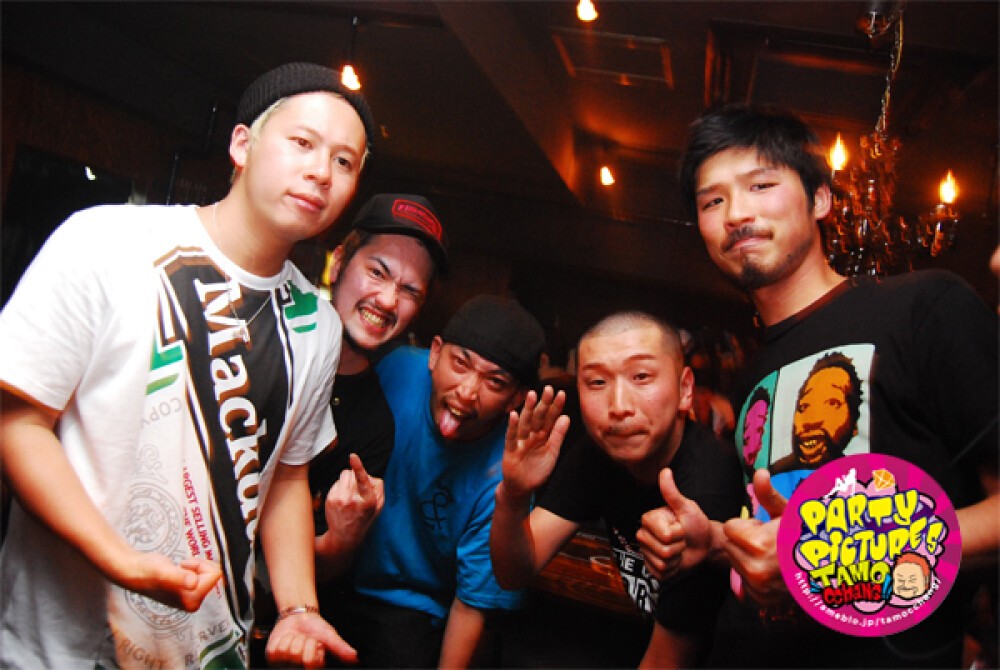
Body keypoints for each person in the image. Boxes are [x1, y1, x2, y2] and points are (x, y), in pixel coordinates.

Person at [0, 61, 377, 669]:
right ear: (242, 145)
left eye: (343, 161)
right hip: (59, 647)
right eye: (302, 143)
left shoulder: (317, 323)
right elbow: (16, 423)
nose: (320, 172)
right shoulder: (106, 243)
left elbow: (285, 477)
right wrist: (121, 560)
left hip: (210, 650)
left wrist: (298, 608)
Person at [639, 103, 998, 667]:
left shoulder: (925, 308)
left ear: (822, 200)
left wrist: (827, 560)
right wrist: (715, 542)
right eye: (713, 201)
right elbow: (777, 534)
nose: (737, 214)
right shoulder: (752, 376)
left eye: (761, 185)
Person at [249, 192, 449, 663]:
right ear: (338, 261)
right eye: (377, 272)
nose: (387, 300)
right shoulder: (264, 334)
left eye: (410, 291)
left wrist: (342, 540)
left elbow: (316, 568)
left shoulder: (375, 424)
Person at [491, 310, 744, 668]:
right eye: (597, 382)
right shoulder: (598, 454)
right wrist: (514, 495)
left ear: (685, 389)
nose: (619, 406)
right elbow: (513, 572)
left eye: (641, 377)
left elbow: (668, 660)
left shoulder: (707, 483)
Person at [324, 294, 559, 668]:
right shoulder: (394, 369)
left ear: (515, 399)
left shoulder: (505, 475)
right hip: (334, 569)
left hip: (412, 610)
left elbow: (471, 604)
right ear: (434, 353)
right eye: (460, 364)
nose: (467, 392)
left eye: (495, 382)